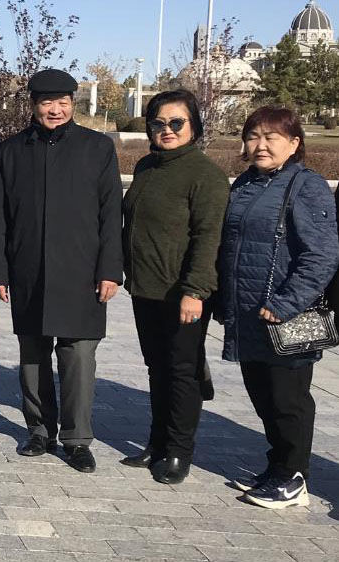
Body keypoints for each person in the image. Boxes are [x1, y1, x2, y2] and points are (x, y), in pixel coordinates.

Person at [0, 69, 122, 473]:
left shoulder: (97, 147)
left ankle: (77, 439)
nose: (56, 110)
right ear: (33, 105)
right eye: (47, 102)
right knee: (32, 355)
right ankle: (39, 431)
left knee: (78, 357)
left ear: (73, 104)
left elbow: (111, 213)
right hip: (28, 268)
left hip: (83, 272)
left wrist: (110, 269)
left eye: (63, 102)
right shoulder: (10, 152)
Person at [217, 106, 338, 509]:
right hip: (249, 312)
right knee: (263, 395)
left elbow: (321, 255)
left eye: (271, 137)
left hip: (287, 316)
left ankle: (294, 477)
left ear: (294, 143)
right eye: (253, 136)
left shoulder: (306, 185)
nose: (261, 145)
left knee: (289, 401)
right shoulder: (246, 183)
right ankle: (277, 466)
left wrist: (287, 302)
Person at [120, 89, 228, 484]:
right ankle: (157, 443)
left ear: (193, 125)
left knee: (182, 372)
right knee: (157, 369)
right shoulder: (148, 166)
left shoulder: (205, 175)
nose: (167, 130)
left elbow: (208, 238)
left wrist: (195, 291)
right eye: (158, 123)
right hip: (146, 288)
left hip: (183, 294)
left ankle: (180, 451)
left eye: (176, 122)